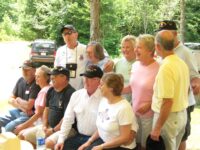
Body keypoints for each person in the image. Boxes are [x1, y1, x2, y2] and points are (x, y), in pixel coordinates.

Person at [156, 20, 200, 150]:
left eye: (165, 33)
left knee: (181, 137)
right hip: (166, 104)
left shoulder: (185, 52)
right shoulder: (161, 51)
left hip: (182, 104)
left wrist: (195, 84)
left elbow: (195, 76)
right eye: (160, 33)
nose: (162, 36)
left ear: (175, 34)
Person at [18, 66, 75, 149]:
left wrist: (52, 130)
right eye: (52, 75)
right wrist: (44, 126)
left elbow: (67, 118)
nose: (52, 78)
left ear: (64, 78)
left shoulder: (71, 93)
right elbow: (46, 109)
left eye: (55, 76)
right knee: (23, 135)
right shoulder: (51, 90)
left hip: (65, 129)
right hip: (49, 127)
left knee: (48, 143)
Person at [150, 30, 190, 150]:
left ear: (157, 46)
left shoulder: (166, 67)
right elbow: (186, 90)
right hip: (181, 115)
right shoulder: (181, 63)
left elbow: (167, 101)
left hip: (168, 119)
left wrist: (157, 128)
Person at [79, 73, 138, 150]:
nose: (99, 87)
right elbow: (101, 128)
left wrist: (101, 146)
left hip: (122, 146)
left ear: (111, 88)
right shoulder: (103, 101)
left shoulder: (124, 108)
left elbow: (125, 138)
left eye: (102, 85)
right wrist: (89, 142)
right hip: (106, 142)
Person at [55, 65, 103, 150]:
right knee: (61, 147)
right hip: (79, 136)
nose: (86, 81)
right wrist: (61, 140)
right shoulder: (76, 95)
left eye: (91, 78)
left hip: (98, 139)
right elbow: (68, 119)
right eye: (85, 77)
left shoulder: (105, 98)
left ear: (99, 81)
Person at [124, 34, 159, 150]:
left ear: (150, 50)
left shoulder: (159, 68)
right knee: (134, 144)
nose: (135, 50)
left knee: (145, 146)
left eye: (139, 47)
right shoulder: (135, 65)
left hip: (149, 115)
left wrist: (149, 106)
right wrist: (114, 90)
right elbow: (132, 87)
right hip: (134, 113)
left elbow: (163, 95)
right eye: (136, 47)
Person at [54, 24, 113, 90]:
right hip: (64, 89)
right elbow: (56, 70)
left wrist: (110, 61)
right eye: (64, 34)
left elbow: (102, 53)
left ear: (76, 34)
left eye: (69, 33)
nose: (67, 36)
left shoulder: (85, 48)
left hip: (81, 88)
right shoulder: (60, 51)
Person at [0, 60, 40, 132]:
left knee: (8, 128)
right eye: (23, 69)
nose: (24, 72)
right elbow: (10, 99)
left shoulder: (36, 83)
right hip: (18, 111)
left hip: (29, 116)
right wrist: (21, 107)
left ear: (34, 71)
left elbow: (29, 106)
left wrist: (18, 99)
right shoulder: (20, 80)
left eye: (27, 70)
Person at [16, 65, 51, 135]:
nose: (36, 78)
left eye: (38, 76)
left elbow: (39, 114)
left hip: (42, 123)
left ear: (46, 78)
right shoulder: (50, 87)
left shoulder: (44, 91)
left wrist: (23, 126)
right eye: (36, 76)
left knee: (19, 133)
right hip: (41, 120)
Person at [114, 35, 136, 103]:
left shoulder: (140, 64)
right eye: (123, 47)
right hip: (119, 101)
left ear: (134, 48)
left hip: (134, 103)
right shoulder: (118, 63)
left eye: (127, 47)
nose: (124, 50)